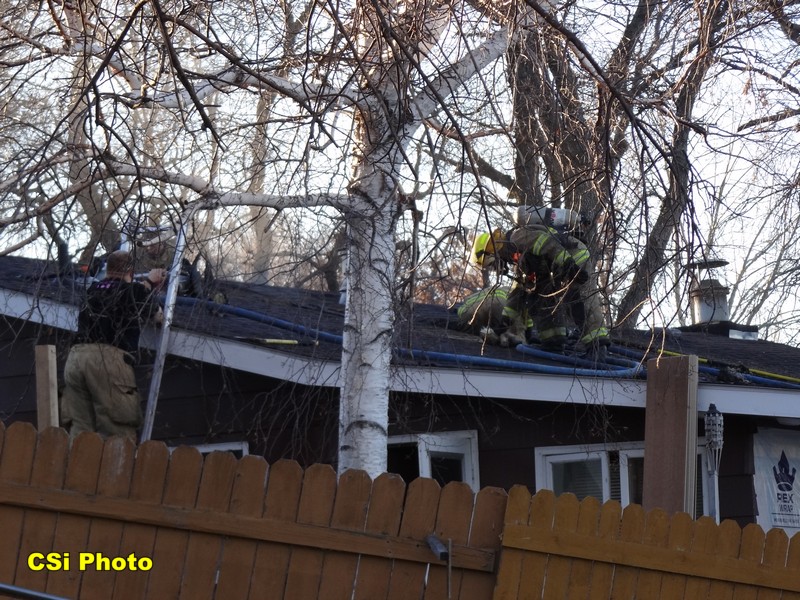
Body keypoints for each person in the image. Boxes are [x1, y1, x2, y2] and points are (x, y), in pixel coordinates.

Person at [470, 211, 610, 358]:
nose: (497, 269)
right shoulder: (517, 256)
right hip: (558, 267)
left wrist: (568, 264)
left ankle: (598, 348)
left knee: (579, 301)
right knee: (539, 298)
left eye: (493, 265)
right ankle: (553, 342)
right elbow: (519, 292)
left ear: (493, 253)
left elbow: (547, 243)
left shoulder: (517, 237)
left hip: (573, 258)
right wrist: (503, 324)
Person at [60, 250, 167, 441]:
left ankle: (78, 468)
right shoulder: (134, 291)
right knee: (117, 432)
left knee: (81, 432)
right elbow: (157, 316)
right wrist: (150, 284)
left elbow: (117, 294)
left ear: (108, 270)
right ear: (131, 272)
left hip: (76, 359)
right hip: (108, 360)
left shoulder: (91, 290)